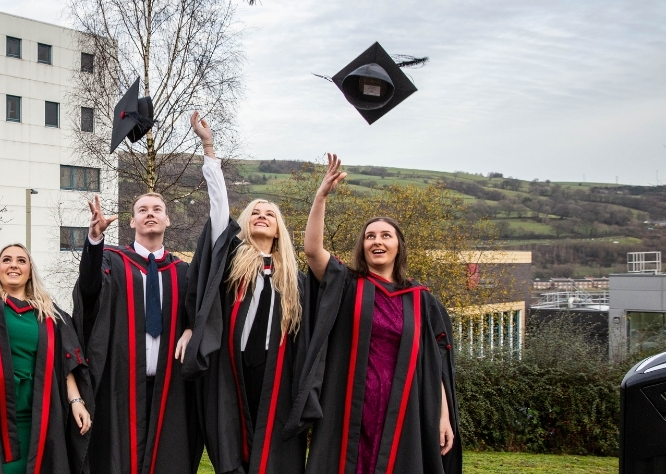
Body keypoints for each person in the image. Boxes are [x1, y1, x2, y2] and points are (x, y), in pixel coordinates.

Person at [296, 154, 461, 474]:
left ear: (399, 245)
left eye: (386, 235)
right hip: (348, 411)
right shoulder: (348, 285)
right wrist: (321, 196)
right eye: (370, 236)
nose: (377, 241)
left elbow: (432, 363)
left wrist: (443, 415)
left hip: (402, 415)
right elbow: (313, 251)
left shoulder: (420, 300)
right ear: (363, 245)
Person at [182, 112, 310, 474]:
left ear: (278, 229)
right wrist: (209, 147)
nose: (262, 216)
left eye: (269, 214)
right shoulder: (234, 260)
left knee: (272, 449)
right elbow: (219, 208)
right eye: (255, 212)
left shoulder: (293, 279)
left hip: (276, 370)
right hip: (233, 366)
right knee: (233, 440)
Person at [0, 188, 94, 474]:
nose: (13, 265)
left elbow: (65, 363)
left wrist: (76, 400)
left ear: (30, 270)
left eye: (21, 260)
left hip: (42, 412)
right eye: (7, 260)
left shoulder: (50, 313)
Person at [74, 191, 203, 474]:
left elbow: (201, 312)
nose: (150, 213)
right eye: (142, 209)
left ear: (167, 220)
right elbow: (89, 288)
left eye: (157, 209)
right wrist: (94, 241)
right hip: (122, 384)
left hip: (170, 387)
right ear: (132, 221)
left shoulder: (183, 272)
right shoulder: (112, 261)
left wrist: (193, 327)